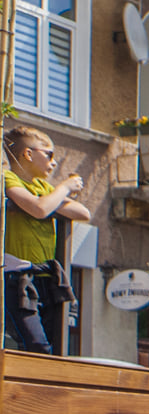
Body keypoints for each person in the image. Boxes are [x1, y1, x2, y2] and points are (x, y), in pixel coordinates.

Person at [3, 125, 90, 355]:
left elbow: (83, 213)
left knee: (52, 345)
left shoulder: (43, 187)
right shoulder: (9, 178)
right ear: (28, 154)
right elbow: (40, 209)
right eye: (49, 154)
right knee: (35, 346)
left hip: (45, 279)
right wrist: (65, 188)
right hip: (18, 278)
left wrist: (51, 196)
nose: (53, 162)